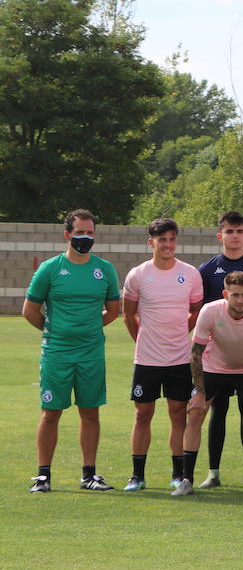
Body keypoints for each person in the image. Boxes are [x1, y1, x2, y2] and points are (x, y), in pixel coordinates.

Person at [24, 209, 122, 493]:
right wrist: (56, 331)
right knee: (51, 412)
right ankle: (43, 475)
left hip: (91, 354)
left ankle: (89, 475)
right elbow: (30, 310)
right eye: (80, 232)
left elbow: (114, 310)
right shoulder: (50, 269)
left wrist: (89, 328)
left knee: (90, 413)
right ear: (68, 235)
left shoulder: (104, 269)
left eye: (90, 233)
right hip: (56, 353)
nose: (85, 238)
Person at [122, 218, 204, 495]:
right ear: (151, 242)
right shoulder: (138, 274)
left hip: (179, 359)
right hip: (146, 359)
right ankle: (137, 475)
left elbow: (196, 310)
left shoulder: (190, 274)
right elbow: (129, 314)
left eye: (171, 239)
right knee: (143, 414)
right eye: (162, 240)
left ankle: (178, 474)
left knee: (178, 413)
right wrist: (143, 339)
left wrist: (180, 332)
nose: (167, 245)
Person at [196, 210, 243, 489]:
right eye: (229, 231)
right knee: (217, 411)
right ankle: (213, 472)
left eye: (239, 231)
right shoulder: (207, 270)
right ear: (221, 235)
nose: (234, 236)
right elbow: (203, 312)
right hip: (215, 358)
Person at [184, 271, 243, 495]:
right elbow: (196, 353)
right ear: (225, 293)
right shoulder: (210, 311)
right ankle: (187, 480)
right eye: (235, 295)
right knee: (196, 412)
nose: (240, 300)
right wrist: (199, 392)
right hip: (215, 368)